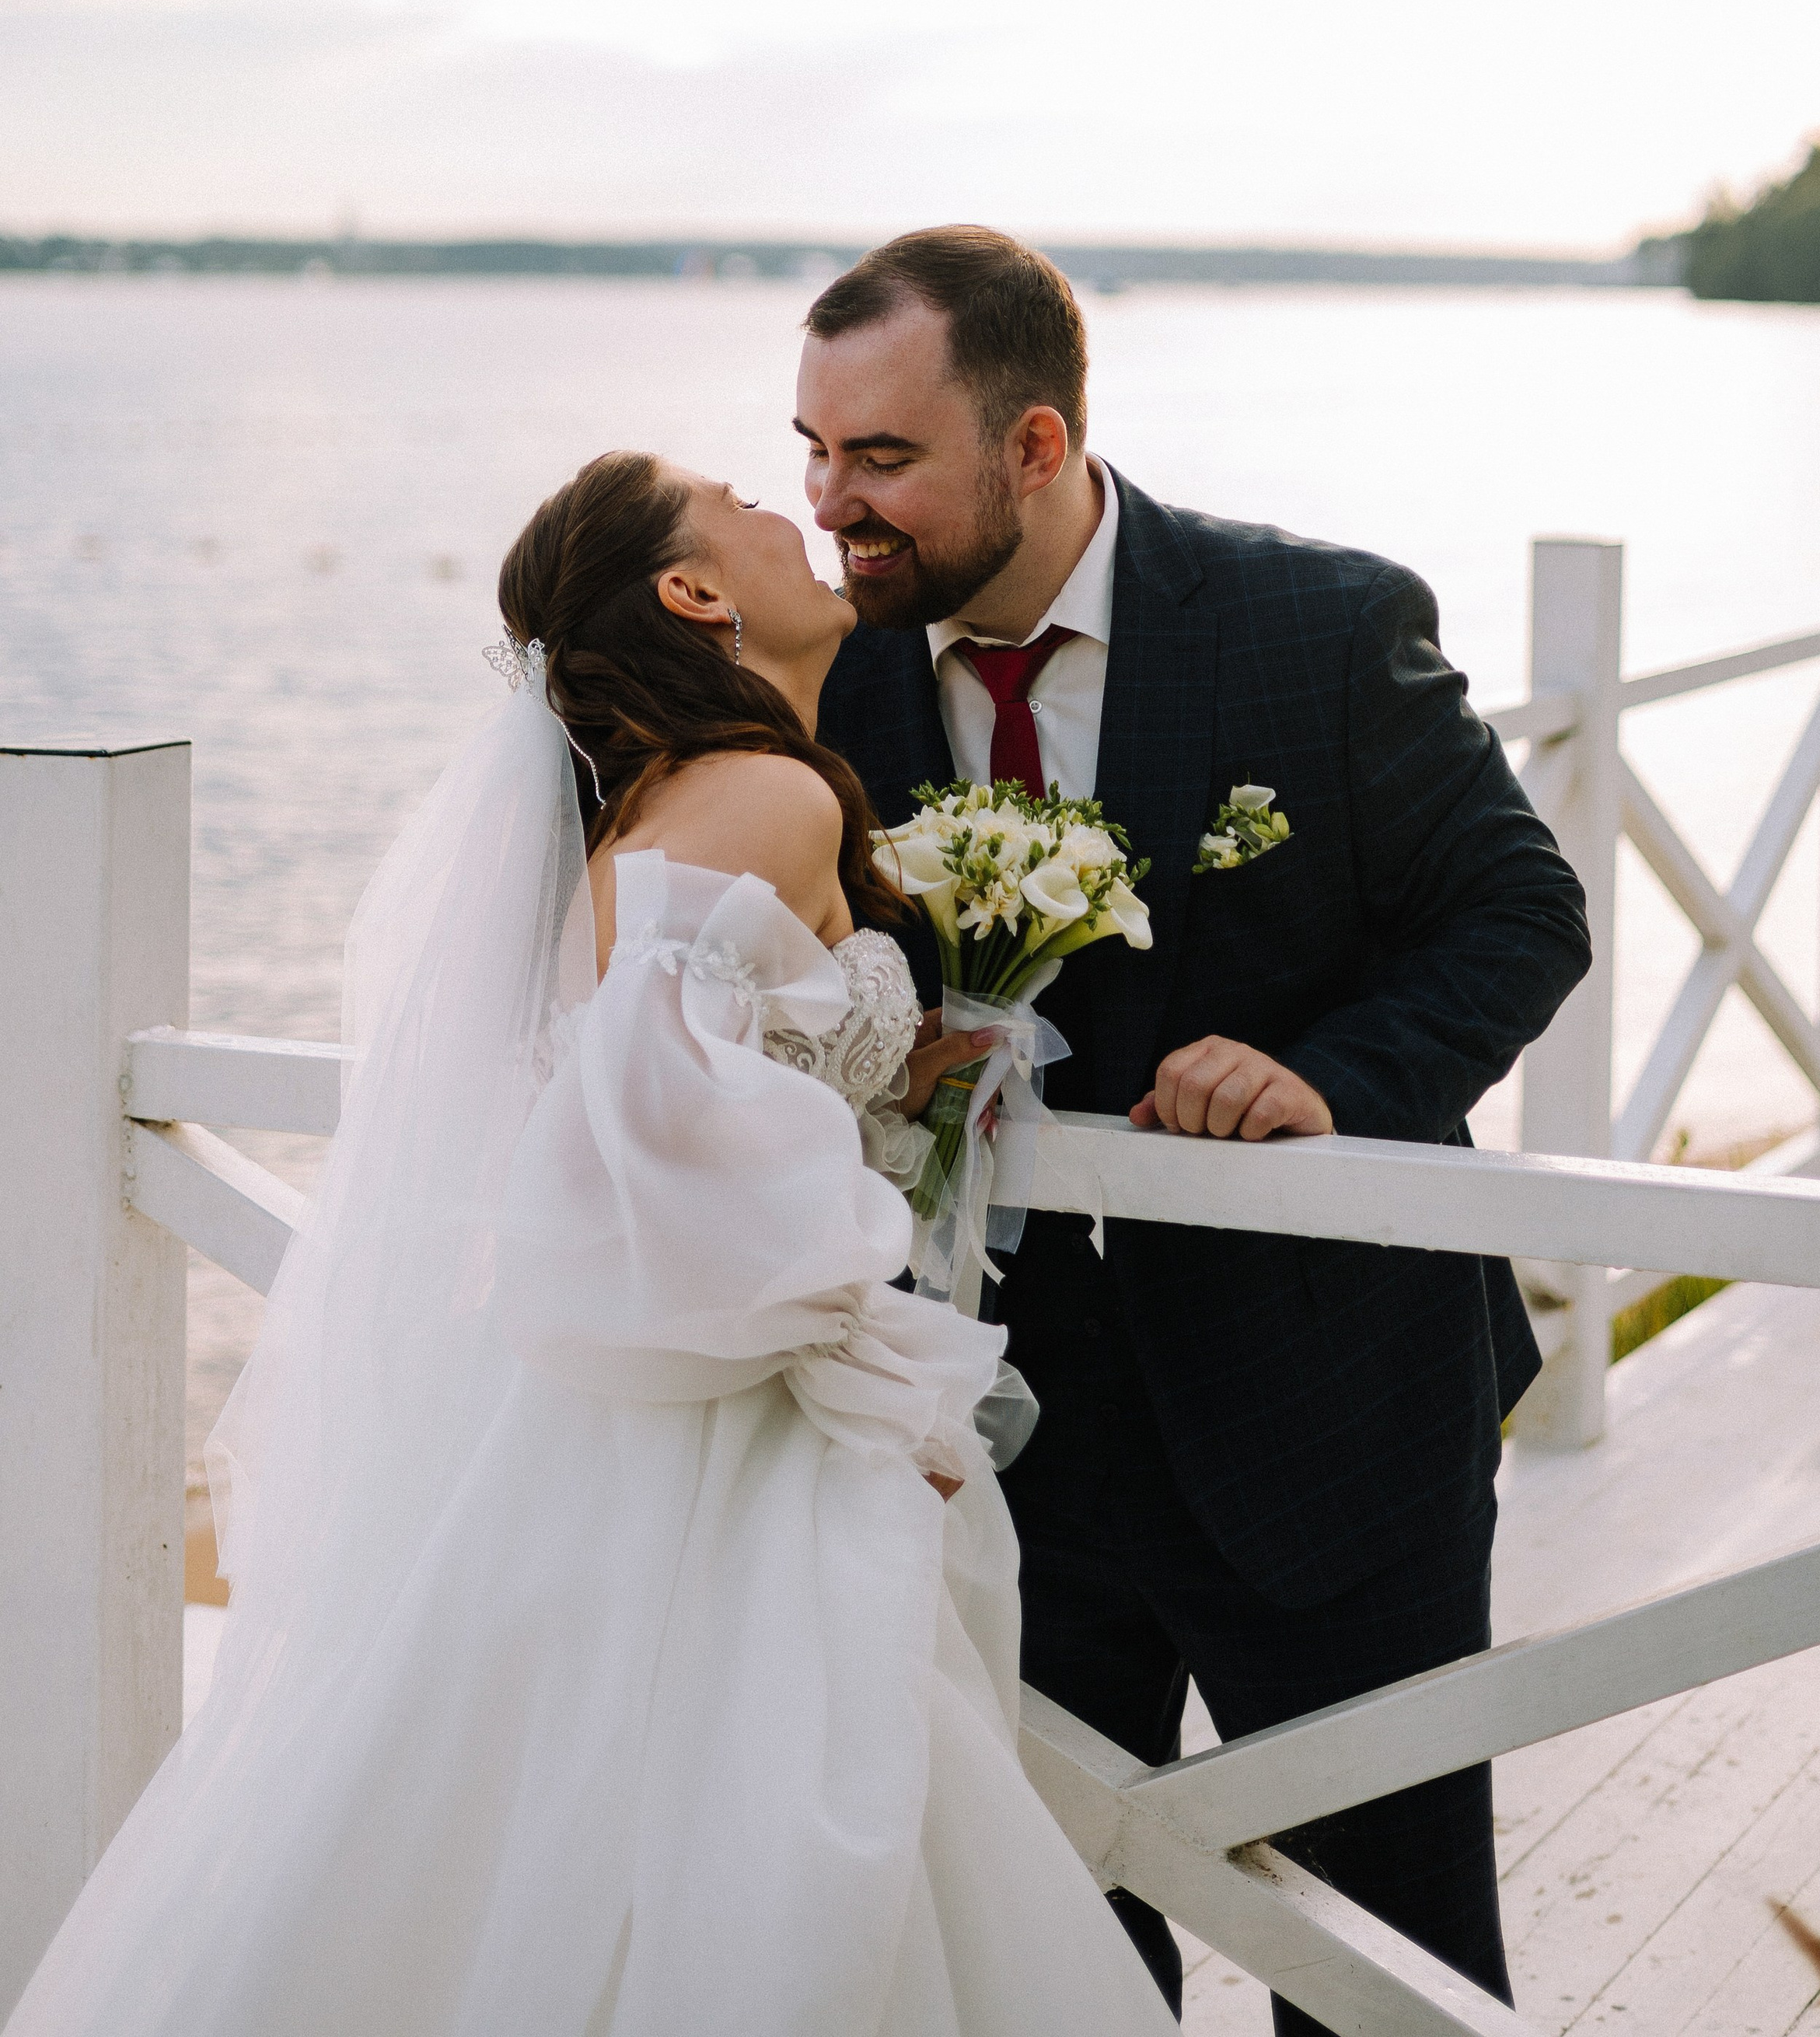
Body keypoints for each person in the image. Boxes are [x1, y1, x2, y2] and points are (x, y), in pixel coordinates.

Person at [5, 451, 1175, 2037]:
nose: (792, 508)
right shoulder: (759, 796)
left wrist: (883, 1072)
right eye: (738, 500)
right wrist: (852, 1351)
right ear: (693, 594)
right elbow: (642, 1141)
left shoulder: (671, 805)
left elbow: (684, 1075)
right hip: (726, 1451)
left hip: (609, 1430)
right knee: (764, 1853)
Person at [801, 228, 1594, 2030]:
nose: (831, 506)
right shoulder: (830, 680)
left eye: (880, 459)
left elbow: (1517, 915)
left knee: (1381, 1965)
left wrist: (1333, 1080)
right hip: (987, 1442)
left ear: (1034, 442)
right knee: (1048, 1957)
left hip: (1325, 1424)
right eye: (813, 449)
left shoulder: (1316, 624)